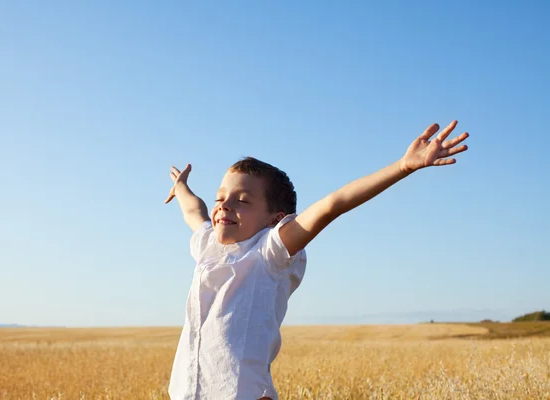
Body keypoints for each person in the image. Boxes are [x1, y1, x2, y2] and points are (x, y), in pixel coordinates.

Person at [164, 120, 469, 399]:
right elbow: (195, 211)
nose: (224, 206)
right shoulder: (207, 246)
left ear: (276, 219)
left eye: (242, 200)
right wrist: (181, 188)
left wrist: (403, 166)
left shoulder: (269, 252)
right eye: (220, 197)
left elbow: (330, 206)